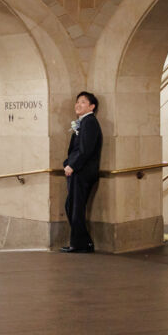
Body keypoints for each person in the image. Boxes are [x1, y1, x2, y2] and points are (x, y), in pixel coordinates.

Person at [62, 91, 103, 253]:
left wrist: (72, 165)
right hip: (78, 171)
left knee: (75, 207)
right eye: (77, 101)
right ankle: (84, 242)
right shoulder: (83, 122)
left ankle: (81, 244)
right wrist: (68, 163)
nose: (78, 105)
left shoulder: (90, 122)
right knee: (71, 205)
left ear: (92, 106)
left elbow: (85, 149)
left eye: (83, 102)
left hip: (82, 172)